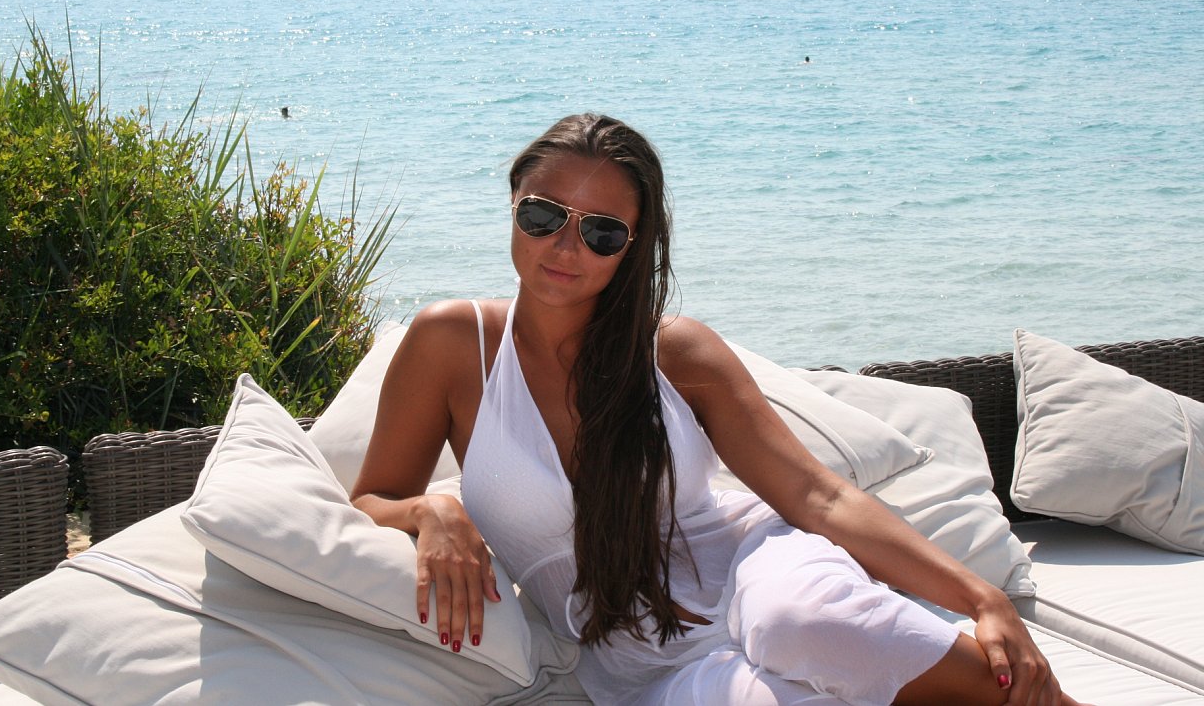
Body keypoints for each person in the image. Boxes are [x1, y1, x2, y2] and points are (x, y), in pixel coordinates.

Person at [351, 114, 1086, 705]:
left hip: (755, 567)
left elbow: (818, 494)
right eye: (544, 214)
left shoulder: (675, 352)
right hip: (637, 658)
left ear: (632, 246)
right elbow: (369, 498)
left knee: (804, 621)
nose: (567, 246)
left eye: (601, 231)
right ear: (514, 203)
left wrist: (985, 599)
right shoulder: (453, 343)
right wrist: (431, 511)